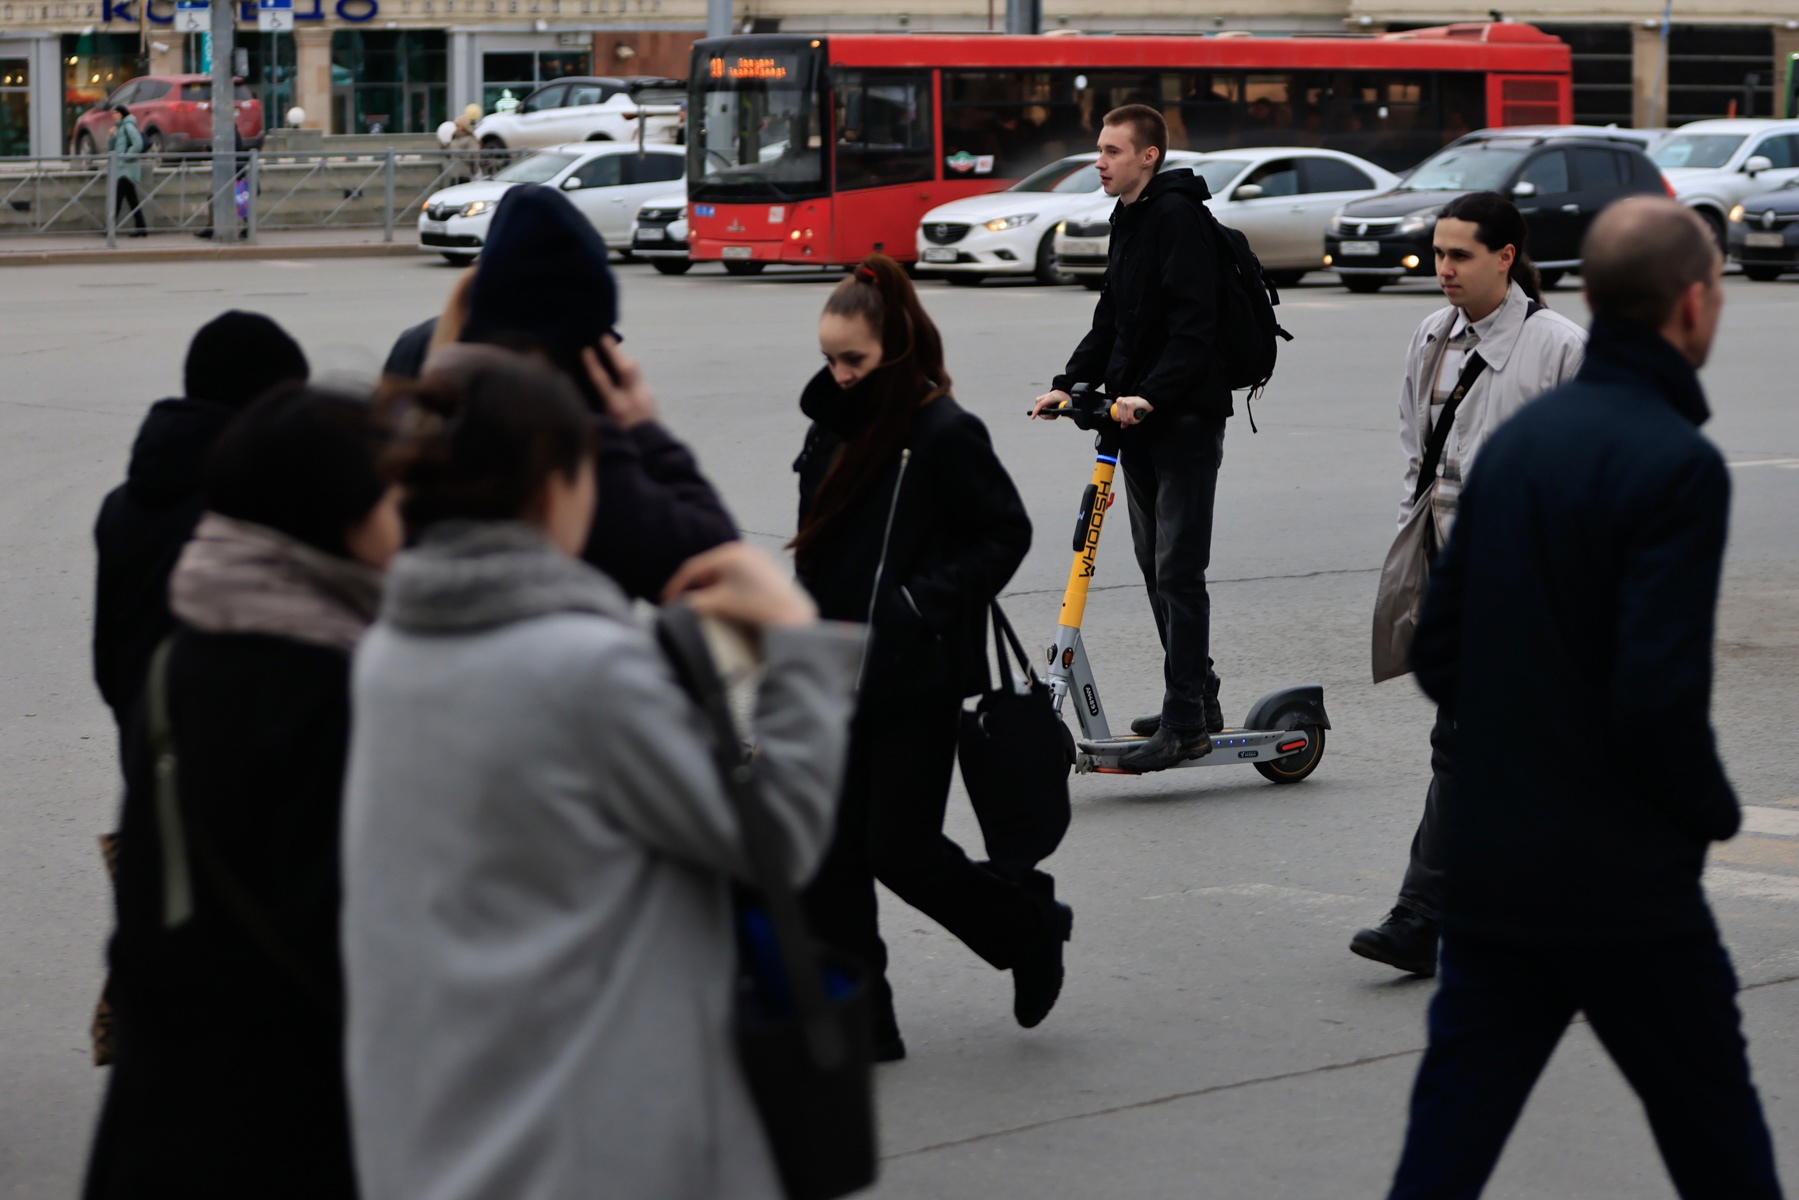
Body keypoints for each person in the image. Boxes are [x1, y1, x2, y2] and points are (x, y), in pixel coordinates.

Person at [340, 353, 861, 1200]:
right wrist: (798, 642)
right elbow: (779, 839)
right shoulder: (582, 670)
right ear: (555, 487)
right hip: (591, 1143)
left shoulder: (390, 652)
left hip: (442, 1133)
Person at [1385, 197, 1784, 1199]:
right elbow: (1655, 696)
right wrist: (1709, 813)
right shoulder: (1675, 463)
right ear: (1691, 305)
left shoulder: (1517, 442)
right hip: (1622, 887)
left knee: (1445, 1144)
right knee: (1714, 1136)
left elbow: (1438, 652)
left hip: (1489, 870)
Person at [84, 386, 401, 1200]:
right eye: (390, 494)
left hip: (162, 1115)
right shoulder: (333, 687)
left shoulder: (186, 657)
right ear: (334, 518)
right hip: (279, 1124)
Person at [795, 255, 1069, 1061]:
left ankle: (1029, 928)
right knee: (830, 853)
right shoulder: (828, 426)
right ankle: (861, 1021)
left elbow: (1004, 533)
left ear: (896, 349)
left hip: (914, 674)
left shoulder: (943, 432)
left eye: (854, 361)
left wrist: (917, 605)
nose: (840, 376)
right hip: (827, 666)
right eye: (829, 360)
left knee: (897, 850)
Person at [1350, 193, 1586, 977]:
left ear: (1505, 257)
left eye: (1458, 256)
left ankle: (1423, 916)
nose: (1441, 268)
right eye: (1438, 252)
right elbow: (1413, 456)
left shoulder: (1558, 348)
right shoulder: (1429, 336)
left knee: (1465, 744)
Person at [386, 184, 739, 600]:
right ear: (589, 343)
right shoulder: (567, 440)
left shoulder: (426, 409)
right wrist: (645, 432)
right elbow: (714, 561)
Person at [1031, 103, 1229, 772]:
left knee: (1178, 568)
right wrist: (1068, 382)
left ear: (1147, 156)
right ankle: (1196, 696)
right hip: (1134, 419)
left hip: (1185, 421)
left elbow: (1194, 330)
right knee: (1154, 564)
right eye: (1099, 148)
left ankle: (1185, 725)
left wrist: (1152, 394)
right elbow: (1113, 316)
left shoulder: (1179, 219)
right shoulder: (1130, 218)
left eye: (1112, 150)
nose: (1099, 159)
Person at [92, 311, 310, 734]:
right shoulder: (258, 508)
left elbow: (110, 667)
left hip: (150, 759)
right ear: (260, 406)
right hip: (233, 772)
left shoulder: (120, 507)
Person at [106, 105, 147, 237]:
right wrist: (111, 137)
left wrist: (125, 156)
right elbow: (111, 148)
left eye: (115, 113)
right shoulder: (119, 128)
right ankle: (141, 227)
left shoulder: (128, 126)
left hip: (127, 169)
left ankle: (109, 228)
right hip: (122, 169)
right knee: (132, 200)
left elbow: (138, 143)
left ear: (121, 114)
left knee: (117, 199)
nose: (113, 116)